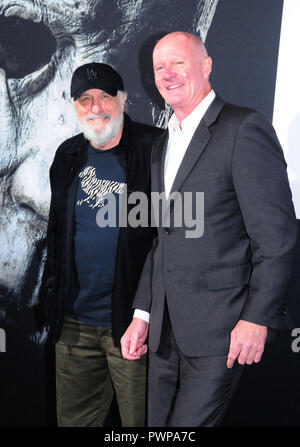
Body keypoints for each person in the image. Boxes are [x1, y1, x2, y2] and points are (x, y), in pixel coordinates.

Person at [121, 32, 297, 427]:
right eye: (159, 67)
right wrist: (143, 313)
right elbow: (161, 240)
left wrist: (257, 318)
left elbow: (276, 237)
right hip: (165, 335)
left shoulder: (243, 129)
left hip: (222, 331)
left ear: (205, 66)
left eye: (177, 63)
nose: (167, 74)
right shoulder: (162, 145)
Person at [42, 62, 161, 427]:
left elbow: (174, 238)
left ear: (123, 100)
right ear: (73, 106)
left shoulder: (155, 148)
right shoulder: (67, 156)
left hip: (134, 326)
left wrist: (145, 314)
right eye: (85, 99)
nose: (95, 107)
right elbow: (58, 236)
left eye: (105, 96)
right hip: (75, 326)